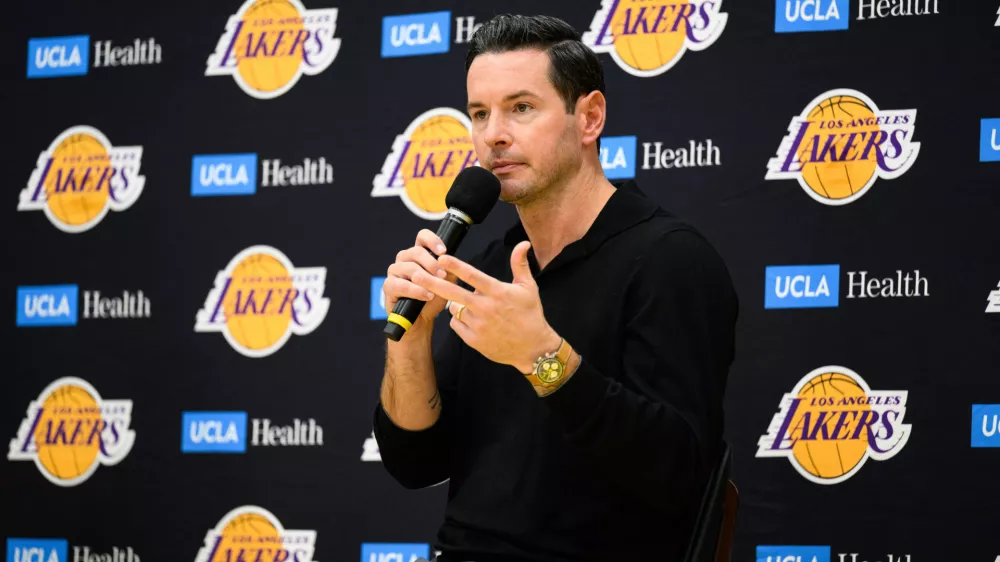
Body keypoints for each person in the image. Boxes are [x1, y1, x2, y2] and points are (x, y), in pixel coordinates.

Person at [373, 14, 739, 562]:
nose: (493, 134)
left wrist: (541, 356)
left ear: (589, 117)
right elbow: (415, 463)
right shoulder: (490, 267)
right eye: (479, 113)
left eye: (520, 108)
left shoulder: (670, 258)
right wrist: (411, 339)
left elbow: (678, 475)